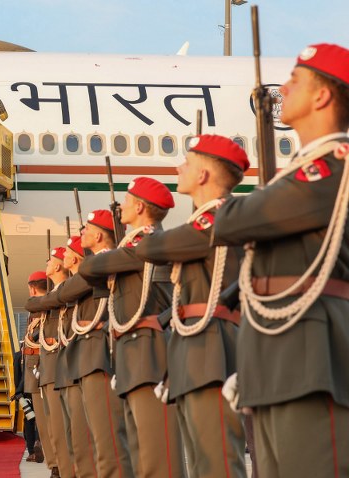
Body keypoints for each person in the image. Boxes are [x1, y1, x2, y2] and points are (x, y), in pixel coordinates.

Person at [213, 43, 349, 477]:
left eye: (294, 80)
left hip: (311, 358)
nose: (280, 89)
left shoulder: (332, 167)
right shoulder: (303, 169)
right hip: (278, 353)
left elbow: (231, 220)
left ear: (322, 97)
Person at [136, 134, 249, 478]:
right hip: (193, 350)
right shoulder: (206, 220)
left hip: (212, 351)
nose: (177, 167)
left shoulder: (218, 218)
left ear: (203, 176)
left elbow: (149, 249)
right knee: (200, 462)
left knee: (216, 462)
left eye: (187, 162)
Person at [80, 178, 186, 478]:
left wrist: (113, 245)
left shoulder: (148, 242)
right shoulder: (136, 245)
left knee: (157, 455)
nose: (121, 207)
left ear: (139, 207)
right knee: (142, 452)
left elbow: (89, 269)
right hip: (133, 353)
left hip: (149, 352)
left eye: (126, 202)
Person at [25, 246, 97, 478]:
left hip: (61, 364)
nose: (48, 264)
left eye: (51, 261)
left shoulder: (67, 291)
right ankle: (59, 466)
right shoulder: (58, 293)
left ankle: (64, 468)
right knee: (54, 426)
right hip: (48, 364)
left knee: (65, 426)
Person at [77, 210, 135, 478]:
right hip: (99, 354)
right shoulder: (109, 262)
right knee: (102, 440)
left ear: (99, 235)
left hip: (106, 355)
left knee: (110, 439)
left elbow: (70, 288)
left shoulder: (110, 261)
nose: (81, 234)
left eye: (86, 228)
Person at [23, 272, 53, 471]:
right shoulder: (47, 305)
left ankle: (47, 453)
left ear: (32, 288)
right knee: (44, 415)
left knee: (41, 414)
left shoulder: (38, 307)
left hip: (37, 362)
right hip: (41, 361)